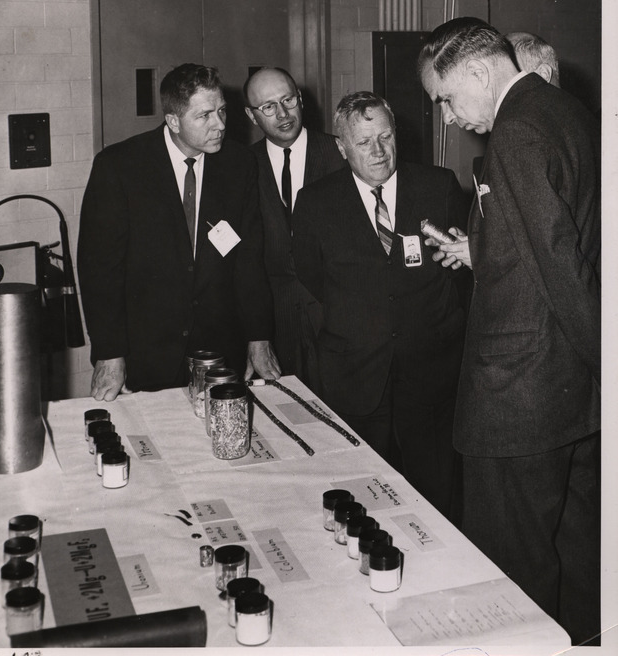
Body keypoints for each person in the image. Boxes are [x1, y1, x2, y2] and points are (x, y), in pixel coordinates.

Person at [418, 17, 600, 646]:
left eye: (445, 98)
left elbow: (562, 268)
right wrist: (484, 250)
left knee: (514, 574)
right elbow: (560, 238)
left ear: (476, 71)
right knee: (579, 563)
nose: (447, 117)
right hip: (570, 398)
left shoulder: (515, 135)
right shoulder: (565, 113)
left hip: (520, 400)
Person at [292, 91, 469, 519]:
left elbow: (460, 276)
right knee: (363, 500)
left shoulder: (438, 186)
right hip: (356, 376)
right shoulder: (315, 202)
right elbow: (311, 279)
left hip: (429, 378)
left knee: (435, 500)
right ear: (341, 147)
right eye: (364, 142)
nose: (378, 150)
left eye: (386, 137)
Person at [78, 63, 280, 401]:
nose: (219, 125)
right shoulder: (119, 167)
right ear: (173, 121)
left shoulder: (239, 164)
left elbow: (249, 260)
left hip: (220, 351)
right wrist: (110, 353)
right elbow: (100, 271)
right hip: (146, 353)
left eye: (222, 111)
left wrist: (258, 338)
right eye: (204, 116)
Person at [244, 67, 343, 388]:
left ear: (300, 100)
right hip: (275, 329)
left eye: (288, 100)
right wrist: (253, 338)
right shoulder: (240, 168)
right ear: (251, 115)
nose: (283, 114)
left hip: (340, 323)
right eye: (268, 107)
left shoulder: (340, 154)